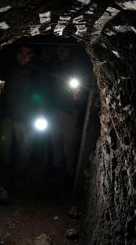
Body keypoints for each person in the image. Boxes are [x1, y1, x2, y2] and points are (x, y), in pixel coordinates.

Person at [0, 45, 45, 191]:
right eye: (21, 52)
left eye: (28, 53)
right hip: (8, 117)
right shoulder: (8, 68)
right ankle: (5, 175)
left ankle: (17, 175)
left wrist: (37, 115)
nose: (23, 56)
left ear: (33, 56)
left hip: (26, 120)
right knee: (3, 148)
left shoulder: (37, 73)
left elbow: (41, 96)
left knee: (24, 150)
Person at [44, 44, 90, 183]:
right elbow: (48, 86)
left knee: (69, 145)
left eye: (65, 49)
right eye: (60, 49)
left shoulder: (78, 66)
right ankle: (57, 168)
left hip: (71, 112)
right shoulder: (53, 64)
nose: (62, 52)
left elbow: (85, 88)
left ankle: (70, 173)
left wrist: (79, 98)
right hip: (54, 110)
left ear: (71, 50)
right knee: (55, 140)